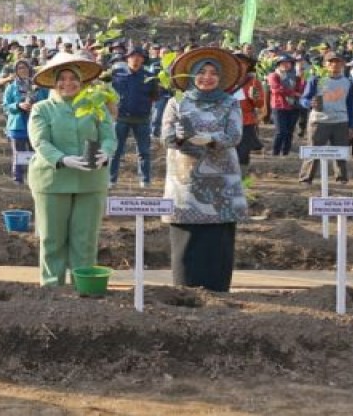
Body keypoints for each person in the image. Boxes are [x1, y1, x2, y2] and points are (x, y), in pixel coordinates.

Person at [160, 47, 247, 292]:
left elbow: (235, 135)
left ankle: (218, 290)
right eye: (201, 72)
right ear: (192, 76)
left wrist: (209, 139)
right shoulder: (177, 103)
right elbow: (165, 138)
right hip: (185, 182)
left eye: (213, 73)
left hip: (221, 184)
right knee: (187, 238)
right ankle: (184, 290)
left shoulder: (230, 103)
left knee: (218, 240)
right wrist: (178, 137)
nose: (207, 77)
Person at [27, 52, 116, 287]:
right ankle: (52, 288)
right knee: (52, 238)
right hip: (52, 180)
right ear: (54, 82)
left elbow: (109, 136)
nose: (68, 83)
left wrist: (106, 152)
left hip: (90, 180)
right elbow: (40, 141)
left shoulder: (95, 106)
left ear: (81, 81)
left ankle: (83, 287)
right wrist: (62, 159)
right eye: (62, 78)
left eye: (73, 78)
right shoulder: (42, 108)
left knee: (85, 239)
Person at [298, 52, 353, 184]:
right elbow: (304, 99)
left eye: (337, 61)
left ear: (342, 64)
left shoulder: (347, 82)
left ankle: (341, 178)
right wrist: (309, 103)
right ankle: (306, 178)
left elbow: (351, 106)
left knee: (340, 152)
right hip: (319, 121)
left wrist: (351, 126)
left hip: (340, 121)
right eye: (331, 62)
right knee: (313, 150)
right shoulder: (316, 79)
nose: (334, 64)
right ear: (325, 64)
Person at [108, 47, 160, 188]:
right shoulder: (116, 74)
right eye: (132, 56)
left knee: (144, 152)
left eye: (139, 56)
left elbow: (155, 96)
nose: (135, 59)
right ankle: (111, 180)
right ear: (127, 59)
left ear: (143, 59)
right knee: (116, 151)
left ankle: (145, 180)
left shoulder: (149, 77)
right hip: (121, 118)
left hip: (142, 119)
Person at [2, 59, 47, 184]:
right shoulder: (11, 87)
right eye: (20, 68)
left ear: (30, 69)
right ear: (16, 71)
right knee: (19, 152)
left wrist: (36, 106)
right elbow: (5, 106)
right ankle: (18, 178)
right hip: (18, 125)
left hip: (36, 124)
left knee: (36, 151)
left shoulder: (39, 86)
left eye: (25, 67)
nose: (23, 70)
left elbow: (47, 101)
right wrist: (18, 105)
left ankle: (36, 176)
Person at [267, 54, 302, 156]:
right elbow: (276, 89)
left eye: (288, 63)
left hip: (293, 106)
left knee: (290, 131)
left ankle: (285, 152)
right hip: (279, 106)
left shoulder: (296, 77)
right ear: (278, 64)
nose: (286, 65)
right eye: (283, 63)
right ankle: (275, 152)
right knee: (281, 131)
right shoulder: (274, 75)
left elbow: (300, 89)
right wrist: (293, 93)